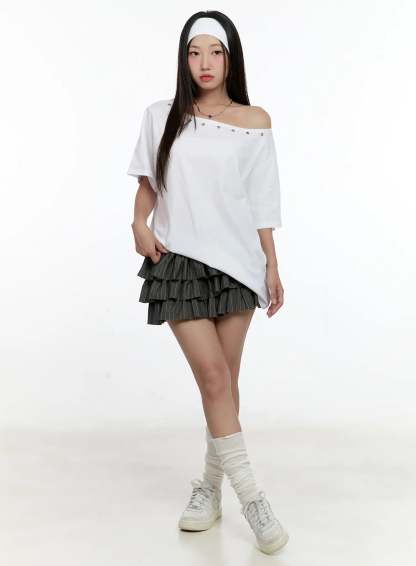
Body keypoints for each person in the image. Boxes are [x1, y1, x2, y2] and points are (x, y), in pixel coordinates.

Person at [127, 10, 289, 555]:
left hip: (238, 265)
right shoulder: (162, 115)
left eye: (215, 52)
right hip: (180, 261)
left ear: (230, 58)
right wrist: (138, 222)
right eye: (194, 52)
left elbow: (262, 200)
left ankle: (209, 489)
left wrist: (271, 264)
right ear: (183, 59)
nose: (204, 63)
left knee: (225, 384)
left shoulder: (253, 119)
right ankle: (253, 499)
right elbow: (149, 181)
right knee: (214, 377)